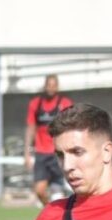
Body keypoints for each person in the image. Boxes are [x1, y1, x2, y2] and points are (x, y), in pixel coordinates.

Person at [25, 74, 73, 205]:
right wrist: (27, 153)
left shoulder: (65, 104)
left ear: (57, 87)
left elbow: (71, 127)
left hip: (57, 153)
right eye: (48, 85)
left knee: (58, 193)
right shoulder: (35, 104)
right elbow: (30, 128)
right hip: (41, 153)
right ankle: (49, 211)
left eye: (54, 85)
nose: (51, 88)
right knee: (39, 191)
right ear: (44, 86)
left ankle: (62, 216)